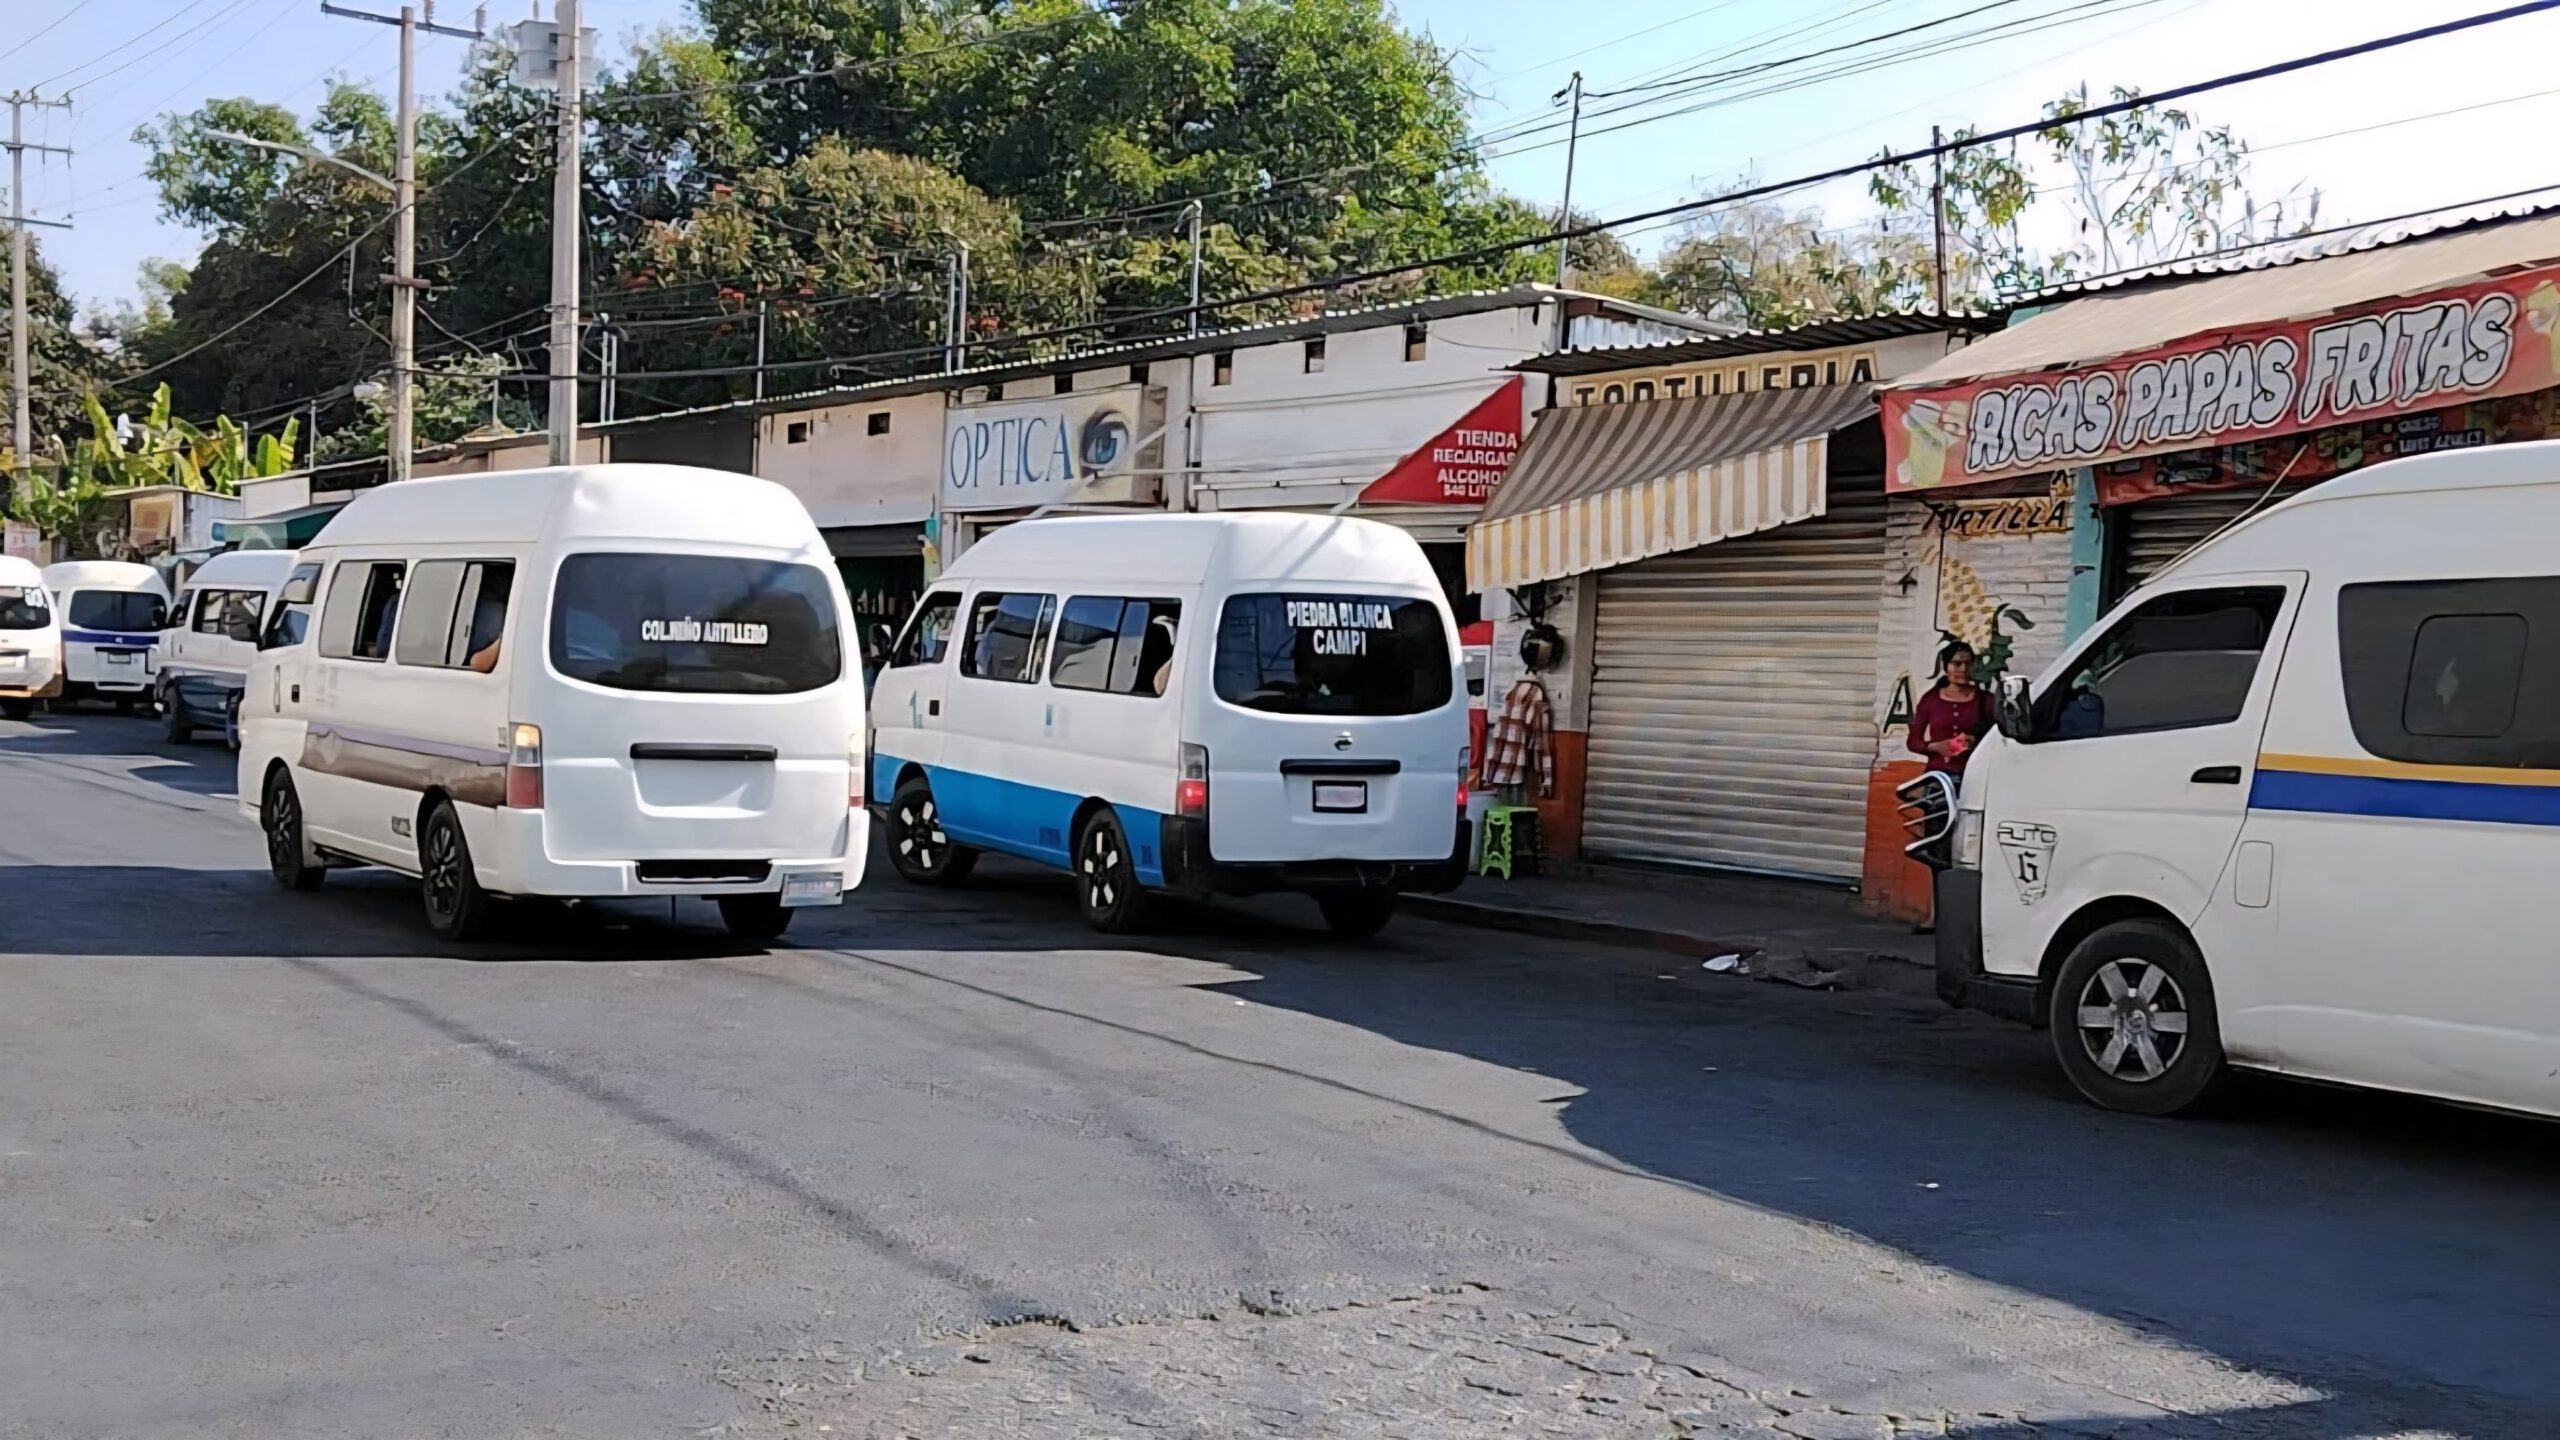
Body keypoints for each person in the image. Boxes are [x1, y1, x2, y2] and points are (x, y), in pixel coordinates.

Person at [1909, 639, 1993, 776]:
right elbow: (1913, 741)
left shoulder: (1986, 700)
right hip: (1938, 775)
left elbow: (2000, 736)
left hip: (1975, 775)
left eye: (1968, 664)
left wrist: (1974, 740)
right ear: (1946, 667)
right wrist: (1935, 747)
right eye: (1957, 663)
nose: (1963, 669)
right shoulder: (1931, 699)